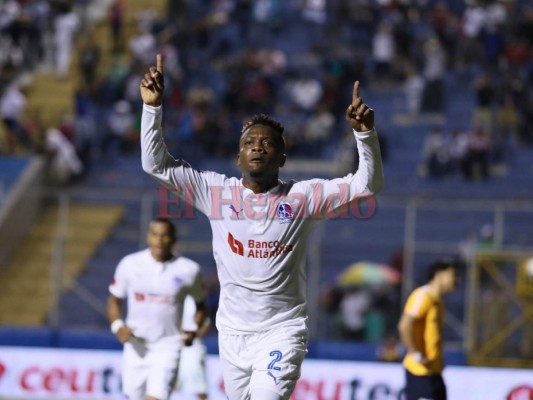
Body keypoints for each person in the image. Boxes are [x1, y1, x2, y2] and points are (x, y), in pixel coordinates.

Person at [139, 54, 383, 400]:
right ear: (239, 157)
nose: (257, 147)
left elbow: (366, 186)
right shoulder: (215, 192)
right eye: (249, 143)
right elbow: (155, 165)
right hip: (232, 334)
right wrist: (152, 109)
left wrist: (366, 135)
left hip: (282, 331)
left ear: (282, 157)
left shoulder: (303, 198)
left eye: (267, 143)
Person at [107, 217, 207, 400]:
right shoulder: (129, 264)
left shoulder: (189, 270)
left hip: (168, 347)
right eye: (155, 235)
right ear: (148, 237)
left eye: (165, 235)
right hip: (135, 346)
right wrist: (118, 326)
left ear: (174, 239)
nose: (159, 240)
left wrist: (193, 329)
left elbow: (201, 307)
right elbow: (114, 300)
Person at [398, 259, 458, 400]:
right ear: (439, 275)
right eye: (452, 275)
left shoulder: (438, 301)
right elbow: (404, 325)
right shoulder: (423, 295)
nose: (455, 280)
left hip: (434, 371)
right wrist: (415, 353)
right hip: (420, 372)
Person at [176, 295, 211, 400]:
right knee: (163, 387)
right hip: (173, 347)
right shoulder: (173, 295)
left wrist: (193, 335)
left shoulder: (197, 299)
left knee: (200, 388)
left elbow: (206, 324)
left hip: (193, 350)